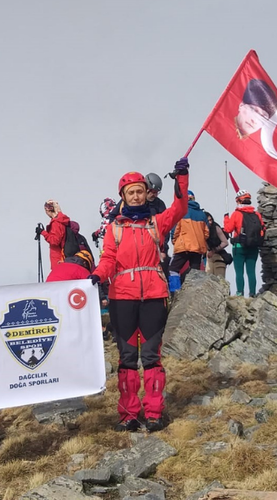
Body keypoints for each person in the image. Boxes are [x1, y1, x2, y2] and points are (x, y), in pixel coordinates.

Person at [90, 157, 189, 432]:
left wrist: (181, 178)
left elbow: (180, 207)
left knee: (151, 357)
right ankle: (129, 414)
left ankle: (154, 412)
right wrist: (97, 275)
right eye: (130, 192)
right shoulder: (114, 229)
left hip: (154, 297)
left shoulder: (157, 223)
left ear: (147, 193)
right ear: (122, 196)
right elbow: (108, 258)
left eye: (139, 191)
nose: (135, 196)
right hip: (122, 298)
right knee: (126, 359)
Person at [224, 189, 265, 297]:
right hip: (253, 247)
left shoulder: (237, 214)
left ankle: (240, 293)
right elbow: (262, 228)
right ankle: (252, 293)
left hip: (239, 247)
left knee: (239, 272)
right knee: (251, 272)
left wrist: (226, 219)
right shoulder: (257, 215)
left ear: (238, 201)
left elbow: (228, 229)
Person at [171, 190, 209, 282]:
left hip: (183, 246)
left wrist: (174, 240)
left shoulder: (181, 212)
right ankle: (194, 293)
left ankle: (174, 291)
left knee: (173, 269)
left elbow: (175, 230)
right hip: (198, 248)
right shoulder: (202, 214)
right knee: (195, 272)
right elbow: (206, 233)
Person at [36, 200, 70, 275]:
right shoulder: (61, 220)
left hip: (58, 259)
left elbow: (55, 241)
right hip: (63, 258)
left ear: (47, 209)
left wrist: (43, 232)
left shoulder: (56, 223)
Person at [204, 211, 230, 278]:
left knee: (219, 282)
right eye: (208, 220)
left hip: (219, 256)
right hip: (209, 257)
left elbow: (225, 242)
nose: (210, 222)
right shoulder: (202, 229)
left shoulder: (216, 228)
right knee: (208, 281)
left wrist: (214, 251)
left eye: (211, 220)